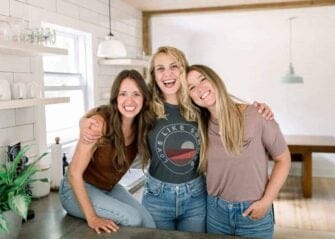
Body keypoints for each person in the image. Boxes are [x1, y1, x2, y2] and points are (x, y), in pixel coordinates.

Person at [80, 46, 274, 233]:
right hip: (157, 196)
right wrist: (85, 120)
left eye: (174, 67)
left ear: (183, 71)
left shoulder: (199, 104)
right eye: (160, 69)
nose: (168, 74)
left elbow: (225, 106)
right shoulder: (145, 107)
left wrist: (258, 108)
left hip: (196, 196)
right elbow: (110, 110)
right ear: (154, 76)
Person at [186, 64, 291, 239]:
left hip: (254, 212)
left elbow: (283, 159)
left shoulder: (256, 115)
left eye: (202, 79)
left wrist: (266, 202)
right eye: (191, 87)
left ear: (215, 79)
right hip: (215, 213)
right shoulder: (199, 126)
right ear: (190, 96)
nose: (199, 89)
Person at [59, 70, 156, 234]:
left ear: (144, 98)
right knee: (132, 219)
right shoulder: (99, 124)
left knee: (149, 224)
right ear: (115, 98)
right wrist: (92, 218)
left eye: (136, 94)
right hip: (75, 189)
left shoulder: (141, 125)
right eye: (123, 94)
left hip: (108, 188)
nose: (129, 100)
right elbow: (74, 173)